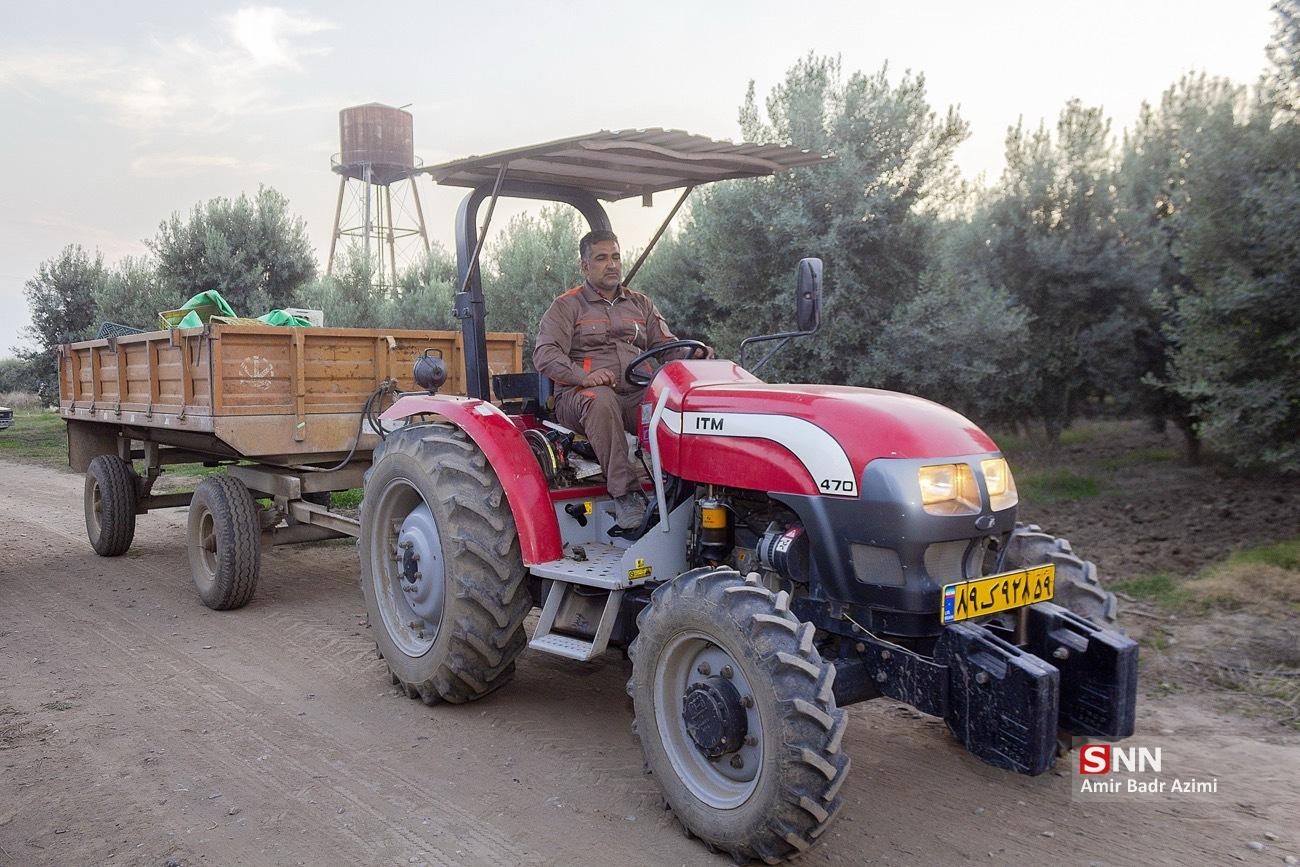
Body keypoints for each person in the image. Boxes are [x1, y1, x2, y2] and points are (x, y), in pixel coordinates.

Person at [533, 229, 710, 529]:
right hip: (579, 397)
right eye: (602, 258)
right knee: (601, 400)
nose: (612, 264)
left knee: (678, 403)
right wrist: (585, 377)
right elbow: (544, 354)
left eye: (615, 257)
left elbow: (666, 346)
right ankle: (625, 495)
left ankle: (691, 489)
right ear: (585, 266)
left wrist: (696, 354)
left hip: (635, 393)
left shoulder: (641, 304)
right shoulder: (567, 306)